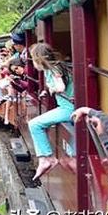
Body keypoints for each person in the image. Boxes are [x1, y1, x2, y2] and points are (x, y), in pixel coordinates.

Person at [27, 43, 75, 181]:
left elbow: (60, 87)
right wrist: (46, 90)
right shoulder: (51, 69)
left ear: (40, 59)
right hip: (65, 107)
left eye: (34, 60)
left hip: (68, 109)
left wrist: (54, 89)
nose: (33, 64)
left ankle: (46, 158)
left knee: (34, 124)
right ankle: (46, 158)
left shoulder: (54, 69)